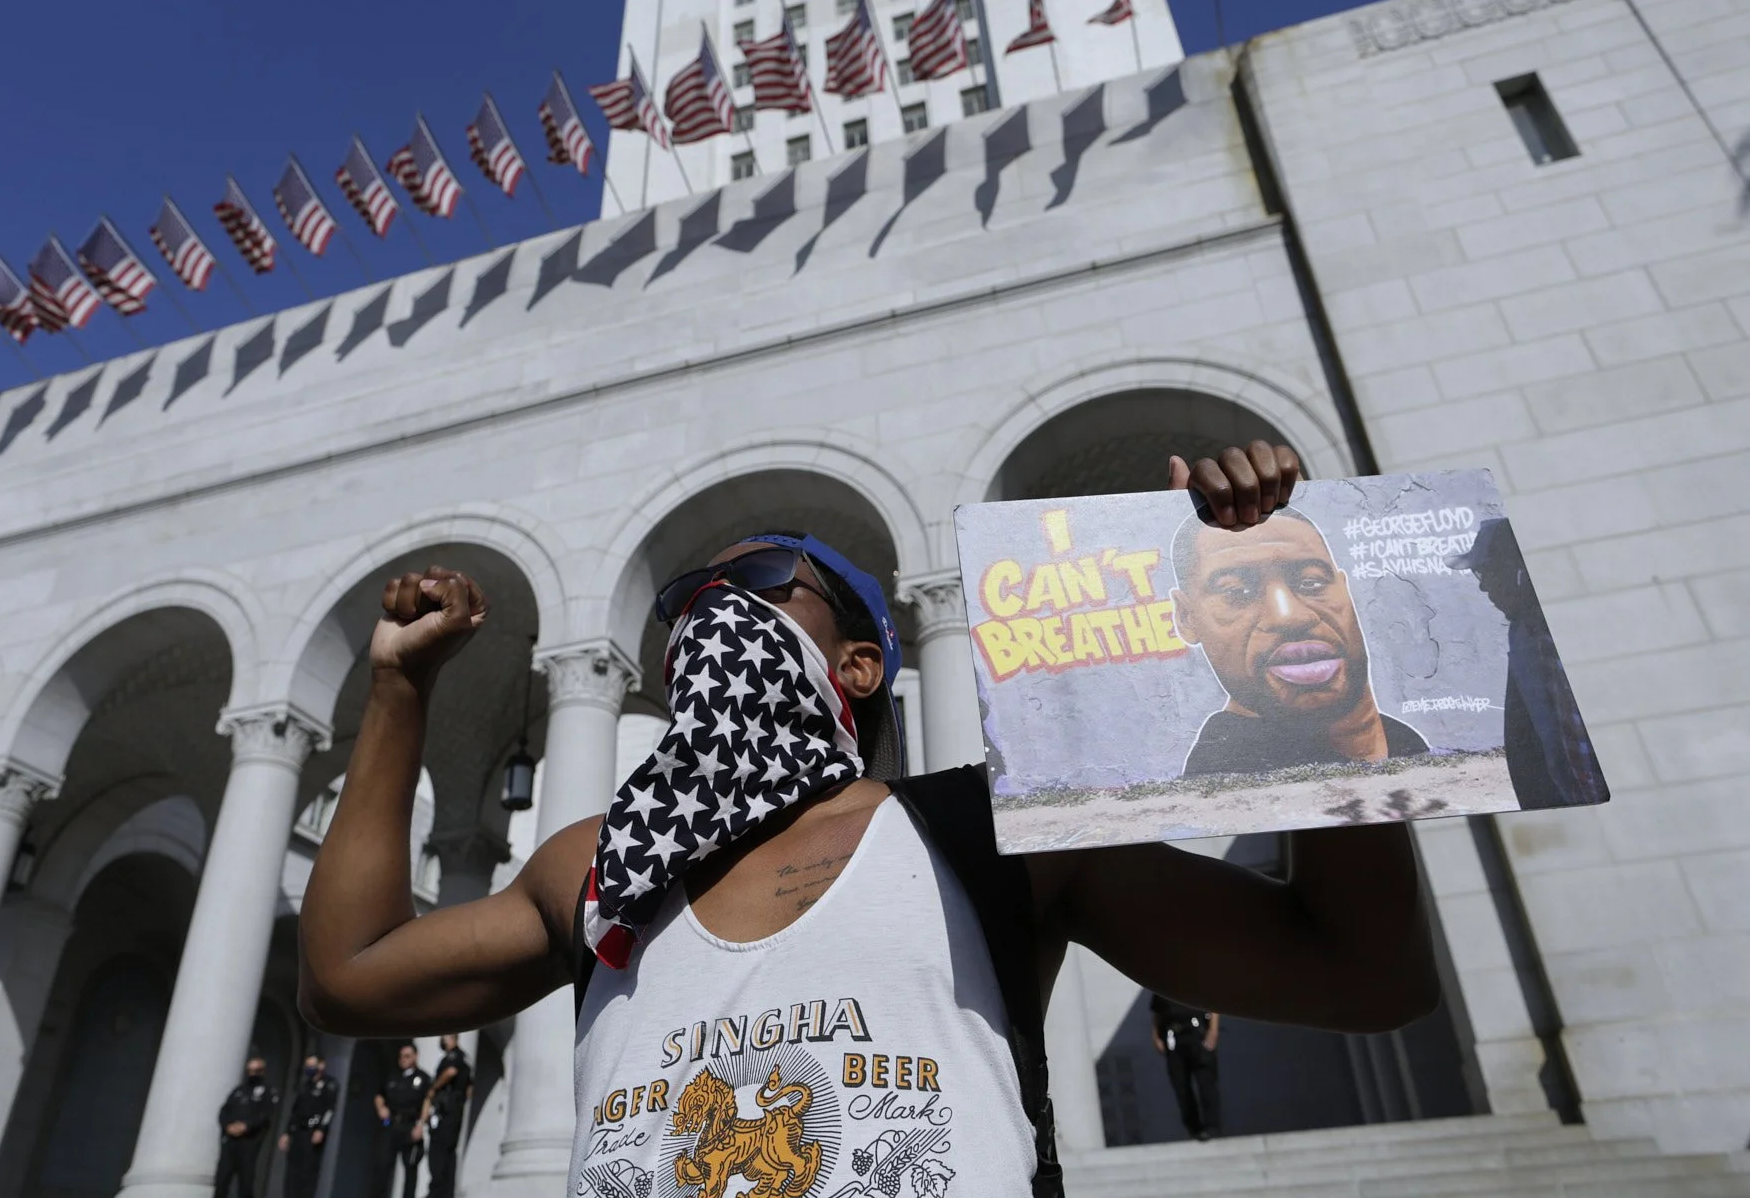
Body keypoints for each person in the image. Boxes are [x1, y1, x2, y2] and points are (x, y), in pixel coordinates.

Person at [299, 442, 1441, 1197]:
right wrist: (399, 689)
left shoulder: (989, 829)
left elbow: (1361, 974)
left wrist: (1288, 636)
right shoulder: (604, 868)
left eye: (755, 587)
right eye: (686, 609)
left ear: (855, 663)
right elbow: (350, 978)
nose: (710, 615)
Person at [1170, 505, 1429, 777]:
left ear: (1346, 591)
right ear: (1187, 618)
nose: (1289, 617)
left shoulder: (1401, 740)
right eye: (1237, 592)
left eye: (1311, 582)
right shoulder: (1230, 771)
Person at [1449, 518, 1607, 809]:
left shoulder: (1543, 635)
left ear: (1520, 572)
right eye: (1477, 574)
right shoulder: (1523, 629)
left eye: (1487, 571)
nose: (1483, 587)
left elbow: (1575, 740)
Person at [1150, 993, 1221, 1140]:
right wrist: (1156, 1038)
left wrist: (1213, 1030)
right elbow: (1157, 1013)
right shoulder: (1161, 985)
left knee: (1206, 1083)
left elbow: (1214, 1006)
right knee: (1181, 1086)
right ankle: (1194, 1128)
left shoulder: (1195, 980)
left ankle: (1212, 1127)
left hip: (1197, 1034)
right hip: (1174, 1038)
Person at [214, 1050, 279, 1198]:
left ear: (262, 1071)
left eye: (256, 1070)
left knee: (246, 1182)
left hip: (249, 1142)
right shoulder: (239, 1090)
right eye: (249, 1070)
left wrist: (246, 1126)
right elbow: (224, 1111)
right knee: (222, 1180)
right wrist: (228, 1126)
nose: (252, 1074)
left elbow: (266, 1114)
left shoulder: (268, 1092)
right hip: (230, 1142)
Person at [279, 1050, 339, 1198]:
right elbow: (296, 1110)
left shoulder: (329, 1084)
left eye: (312, 1065)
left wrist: (321, 1129)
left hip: (313, 1133)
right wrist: (287, 1132)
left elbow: (329, 1110)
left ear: (321, 1065)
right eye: (307, 1066)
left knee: (308, 1173)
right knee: (292, 1173)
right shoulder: (305, 1085)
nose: (309, 1068)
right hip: (298, 1131)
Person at [373, 1043, 430, 1198]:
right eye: (401, 1056)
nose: (403, 1060)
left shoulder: (423, 1078)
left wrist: (421, 1126)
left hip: (410, 1125)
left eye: (407, 1056)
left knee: (410, 1170)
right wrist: (381, 1108)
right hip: (391, 1125)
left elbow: (427, 1102)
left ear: (415, 1057)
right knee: (382, 1166)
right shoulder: (393, 1076)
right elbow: (379, 1095)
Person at [422, 1035, 472, 1198]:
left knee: (438, 1152)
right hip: (455, 1109)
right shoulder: (466, 1058)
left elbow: (451, 1071)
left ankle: (435, 1193)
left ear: (454, 1038)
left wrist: (434, 1088)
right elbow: (469, 1089)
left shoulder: (453, 1057)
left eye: (445, 1037)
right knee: (449, 1153)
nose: (443, 1041)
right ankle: (445, 1193)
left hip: (447, 1109)